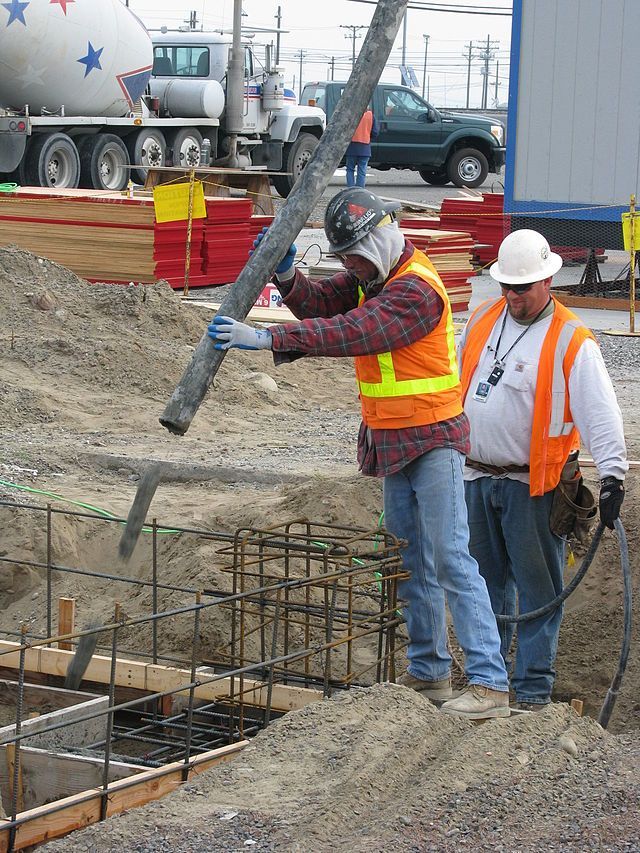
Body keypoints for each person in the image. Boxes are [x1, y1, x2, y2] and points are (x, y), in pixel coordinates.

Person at [208, 187, 510, 720]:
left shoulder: (415, 291)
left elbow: (355, 331)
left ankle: (489, 683)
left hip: (434, 439)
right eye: (344, 259)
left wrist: (265, 340)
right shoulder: (376, 276)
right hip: (394, 442)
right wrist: (286, 278)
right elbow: (325, 304)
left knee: (451, 558)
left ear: (376, 237)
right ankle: (429, 672)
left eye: (352, 256)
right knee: (407, 563)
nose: (348, 267)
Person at [458, 229, 627, 711]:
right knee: (484, 585)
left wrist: (612, 476)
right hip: (475, 475)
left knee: (537, 592)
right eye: (507, 287)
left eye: (522, 288)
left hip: (534, 484)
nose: (513, 297)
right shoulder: (485, 319)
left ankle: (531, 693)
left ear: (548, 279)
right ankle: (487, 681)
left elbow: (600, 413)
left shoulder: (573, 339)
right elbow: (458, 382)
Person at [345, 108, 378, 188]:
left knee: (350, 169)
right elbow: (375, 132)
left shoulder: (352, 115)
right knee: (362, 171)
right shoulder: (371, 115)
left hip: (352, 146)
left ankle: (350, 188)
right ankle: (360, 189)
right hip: (365, 147)